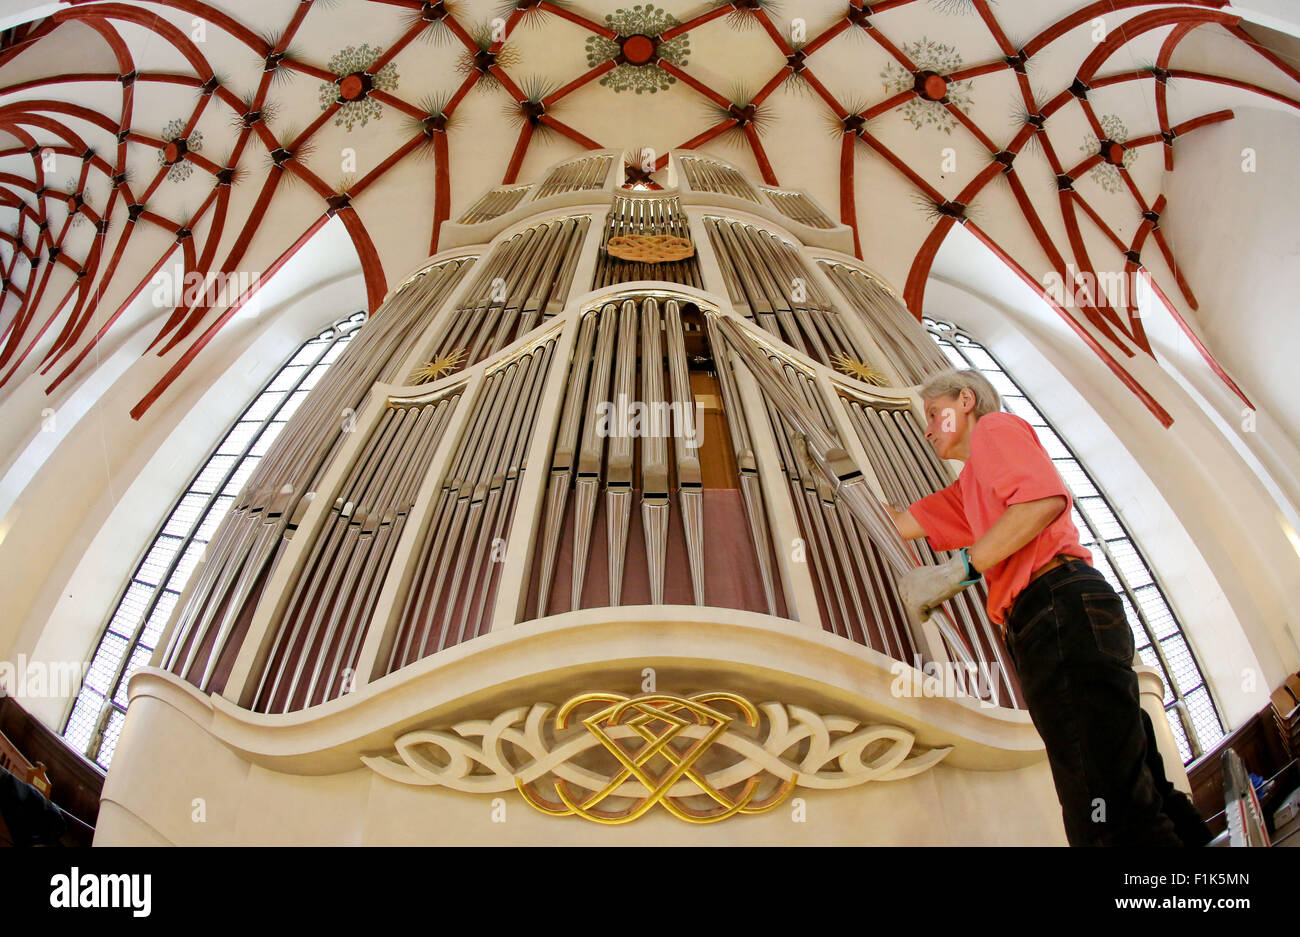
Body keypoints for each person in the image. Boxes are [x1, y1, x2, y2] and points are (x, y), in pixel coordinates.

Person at [883, 367, 1211, 847]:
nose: (927, 429)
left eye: (934, 414)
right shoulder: (970, 486)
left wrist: (957, 571)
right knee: (1138, 786)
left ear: (967, 401)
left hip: (1057, 608)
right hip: (1062, 616)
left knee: (1100, 809)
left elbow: (1041, 503)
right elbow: (903, 523)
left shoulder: (996, 429)